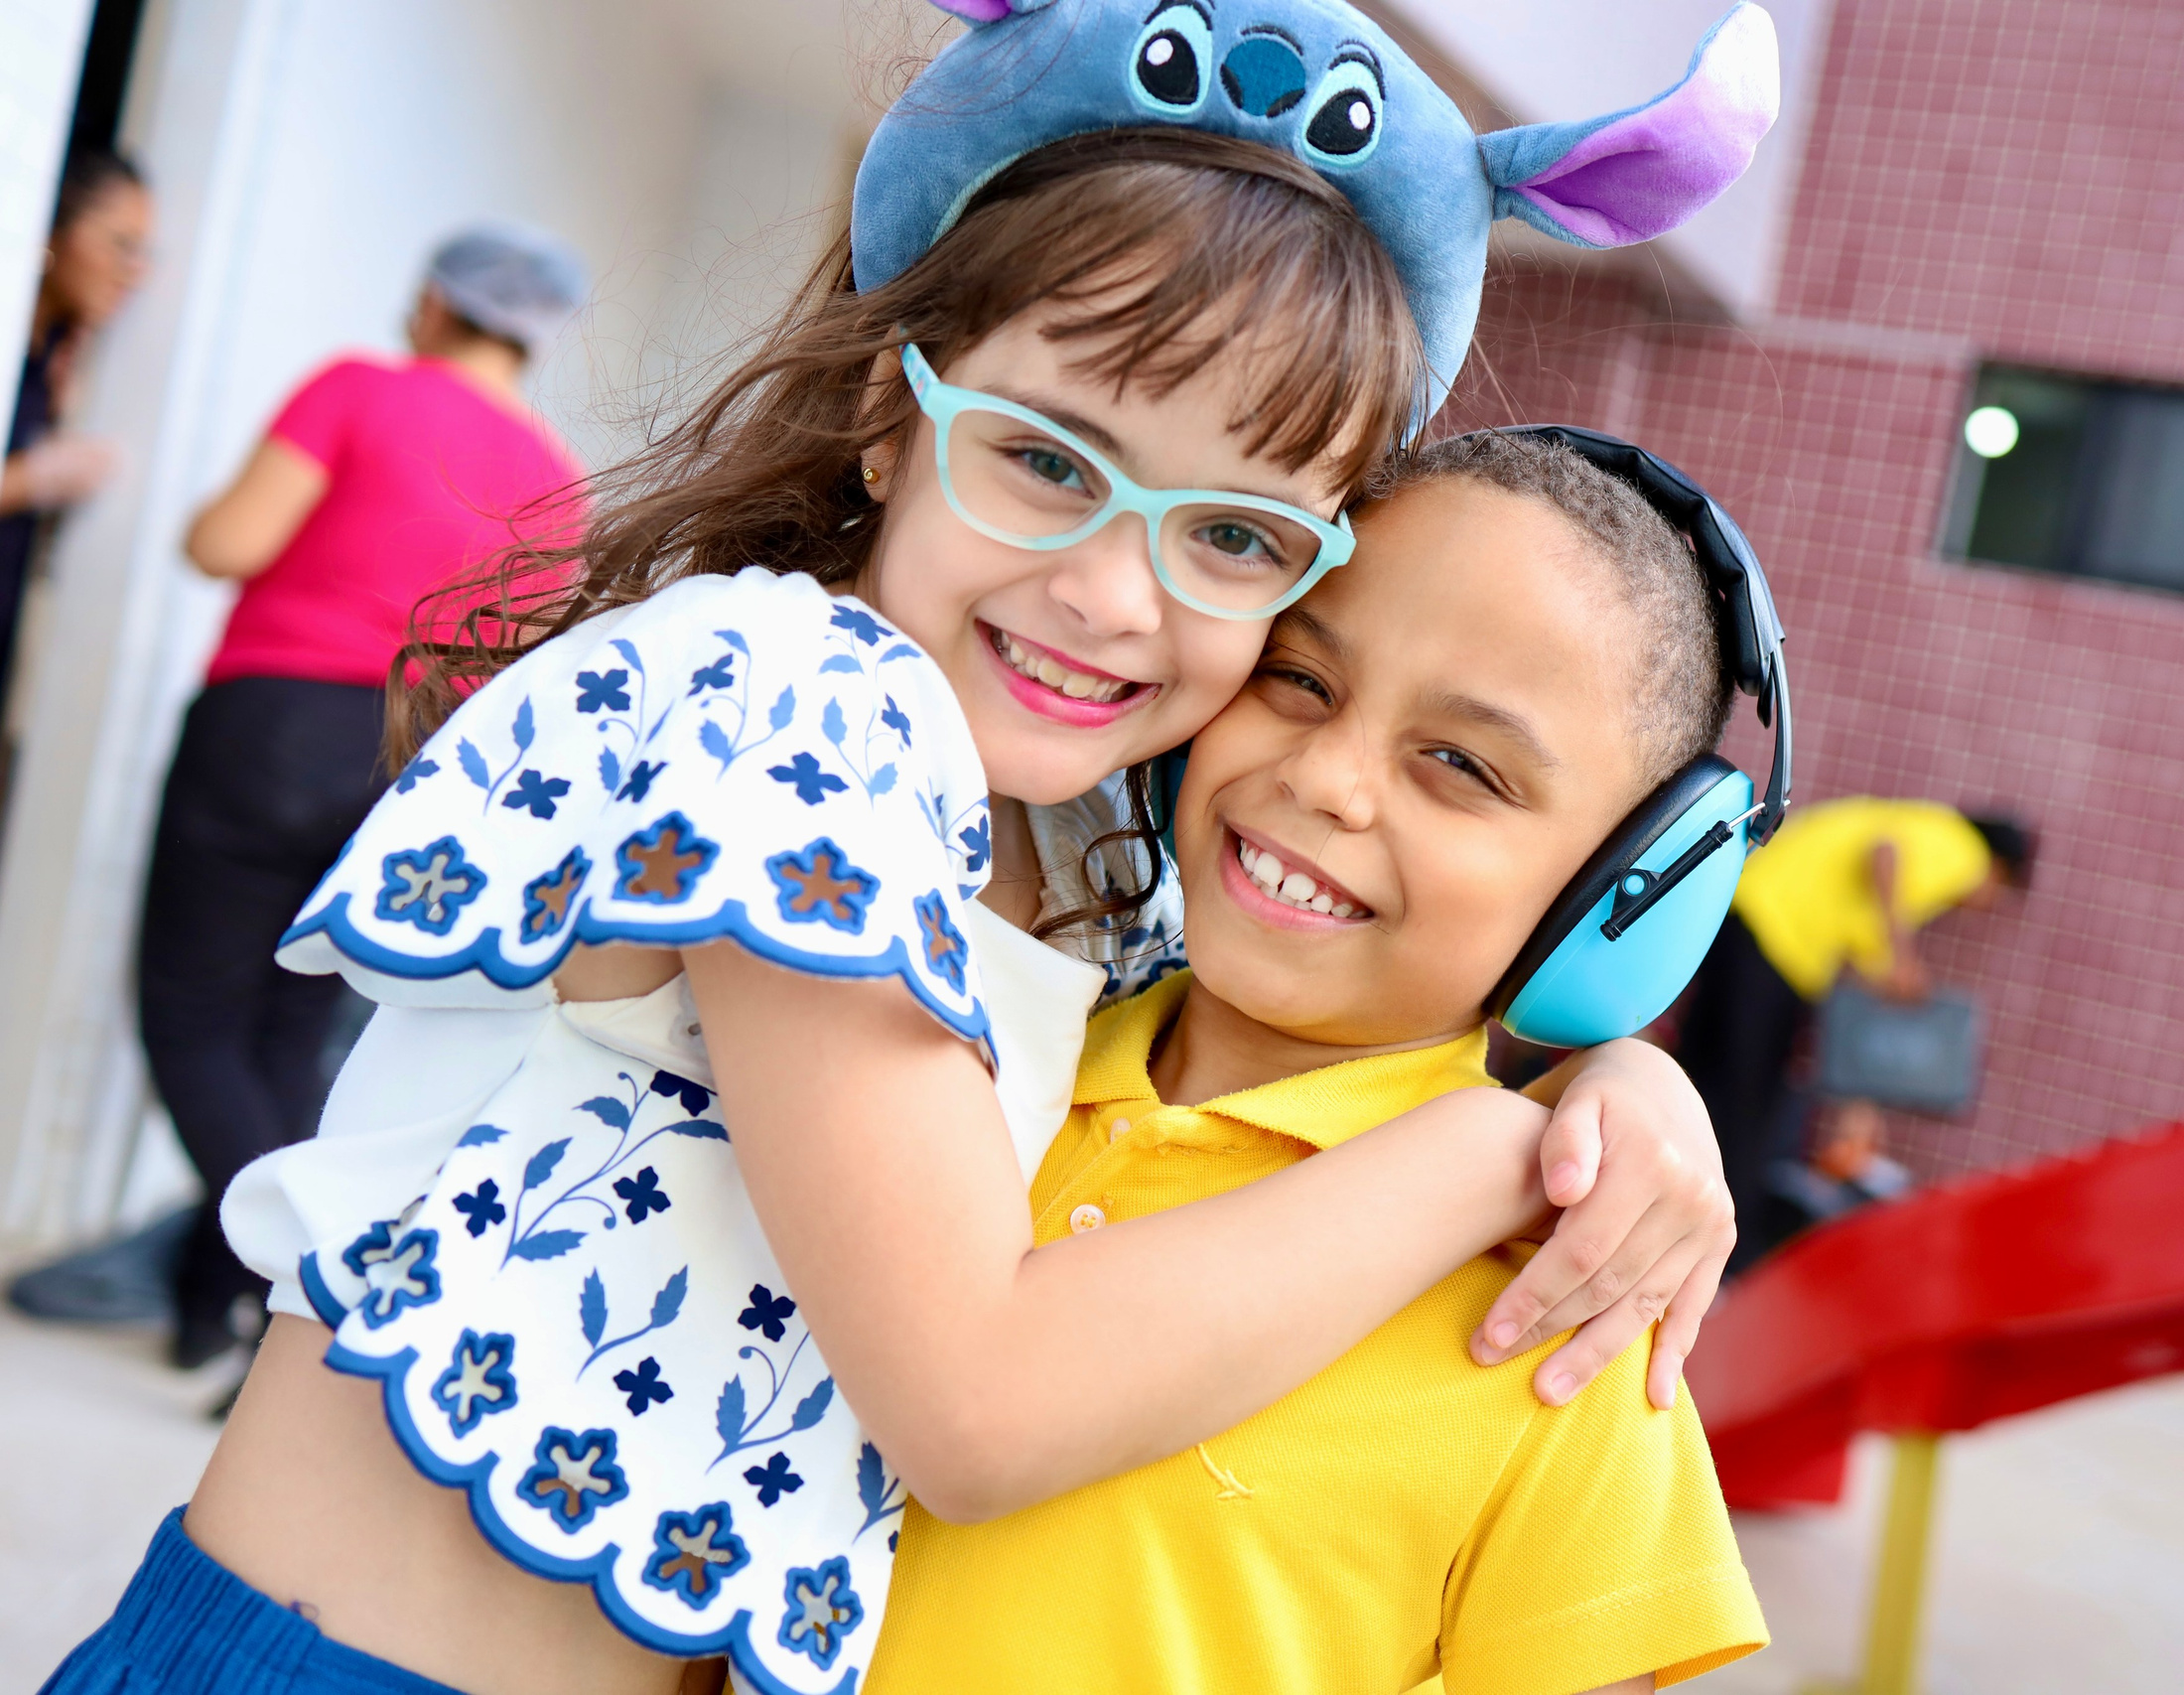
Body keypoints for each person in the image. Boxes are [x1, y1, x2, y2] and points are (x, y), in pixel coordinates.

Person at [45, 3, 1782, 1690]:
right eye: (1043, 458)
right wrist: (1503, 1144)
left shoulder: (1095, 847)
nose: (1111, 593)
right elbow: (976, 1398)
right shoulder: (796, 707)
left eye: (1237, 538)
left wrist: (1617, 1077)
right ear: (894, 409)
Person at [869, 427, 1773, 1695]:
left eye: (1460, 765)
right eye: (1299, 679)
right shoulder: (955, 1058)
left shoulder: (1566, 1310)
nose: (1328, 779)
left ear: (1620, 899)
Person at [139, 222, 590, 1367]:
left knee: (192, 1023)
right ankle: (204, 1322)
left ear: (435, 303)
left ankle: (312, 1275)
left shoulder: (359, 389)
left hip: (273, 722)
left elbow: (228, 541)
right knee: (289, 1034)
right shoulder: (556, 480)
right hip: (410, 763)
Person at [1671, 795, 2033, 1272]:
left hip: (1751, 915)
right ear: (1998, 870)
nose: (1980, 904)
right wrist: (1902, 953)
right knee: (1746, 1102)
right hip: (1777, 939)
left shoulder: (1920, 822)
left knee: (1699, 1077)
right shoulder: (1962, 851)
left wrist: (1886, 969)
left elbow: (1861, 910)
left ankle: (1675, 1214)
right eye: (1995, 897)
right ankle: (1717, 1252)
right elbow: (1883, 854)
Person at [0, 148, 151, 711]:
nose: (135, 270)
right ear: (54, 230)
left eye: (143, 252)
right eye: (120, 244)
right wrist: (35, 476)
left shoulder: (55, 359)